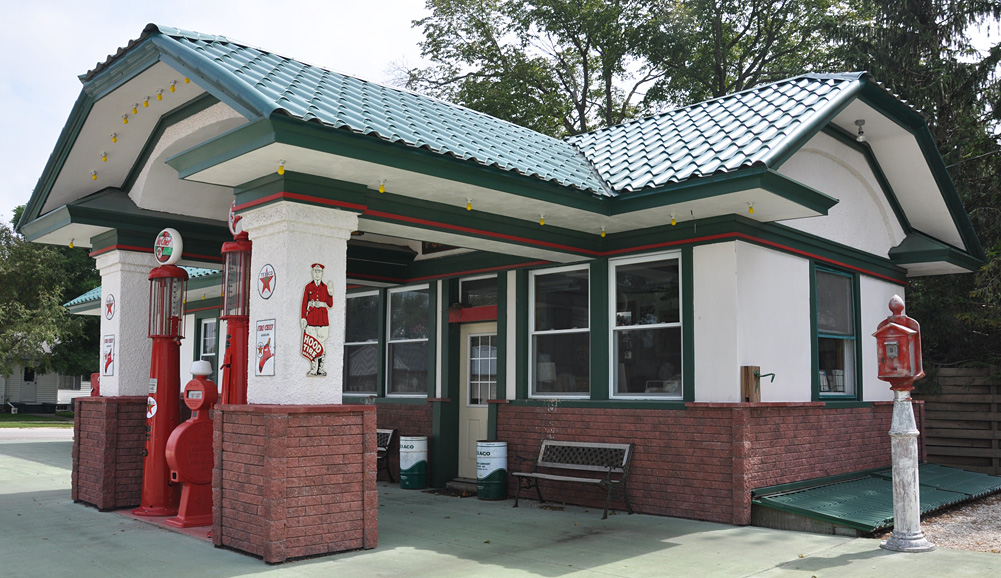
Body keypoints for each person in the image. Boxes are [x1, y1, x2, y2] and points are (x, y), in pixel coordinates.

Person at [300, 263, 333, 376]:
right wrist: (303, 317)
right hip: (312, 319)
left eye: (319, 271)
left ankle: (321, 368)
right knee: (313, 344)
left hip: (323, 320)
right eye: (315, 271)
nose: (317, 273)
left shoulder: (325, 287)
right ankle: (314, 368)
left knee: (321, 344)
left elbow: (330, 304)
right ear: (312, 272)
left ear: (322, 273)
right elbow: (304, 303)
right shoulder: (308, 287)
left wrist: (330, 293)